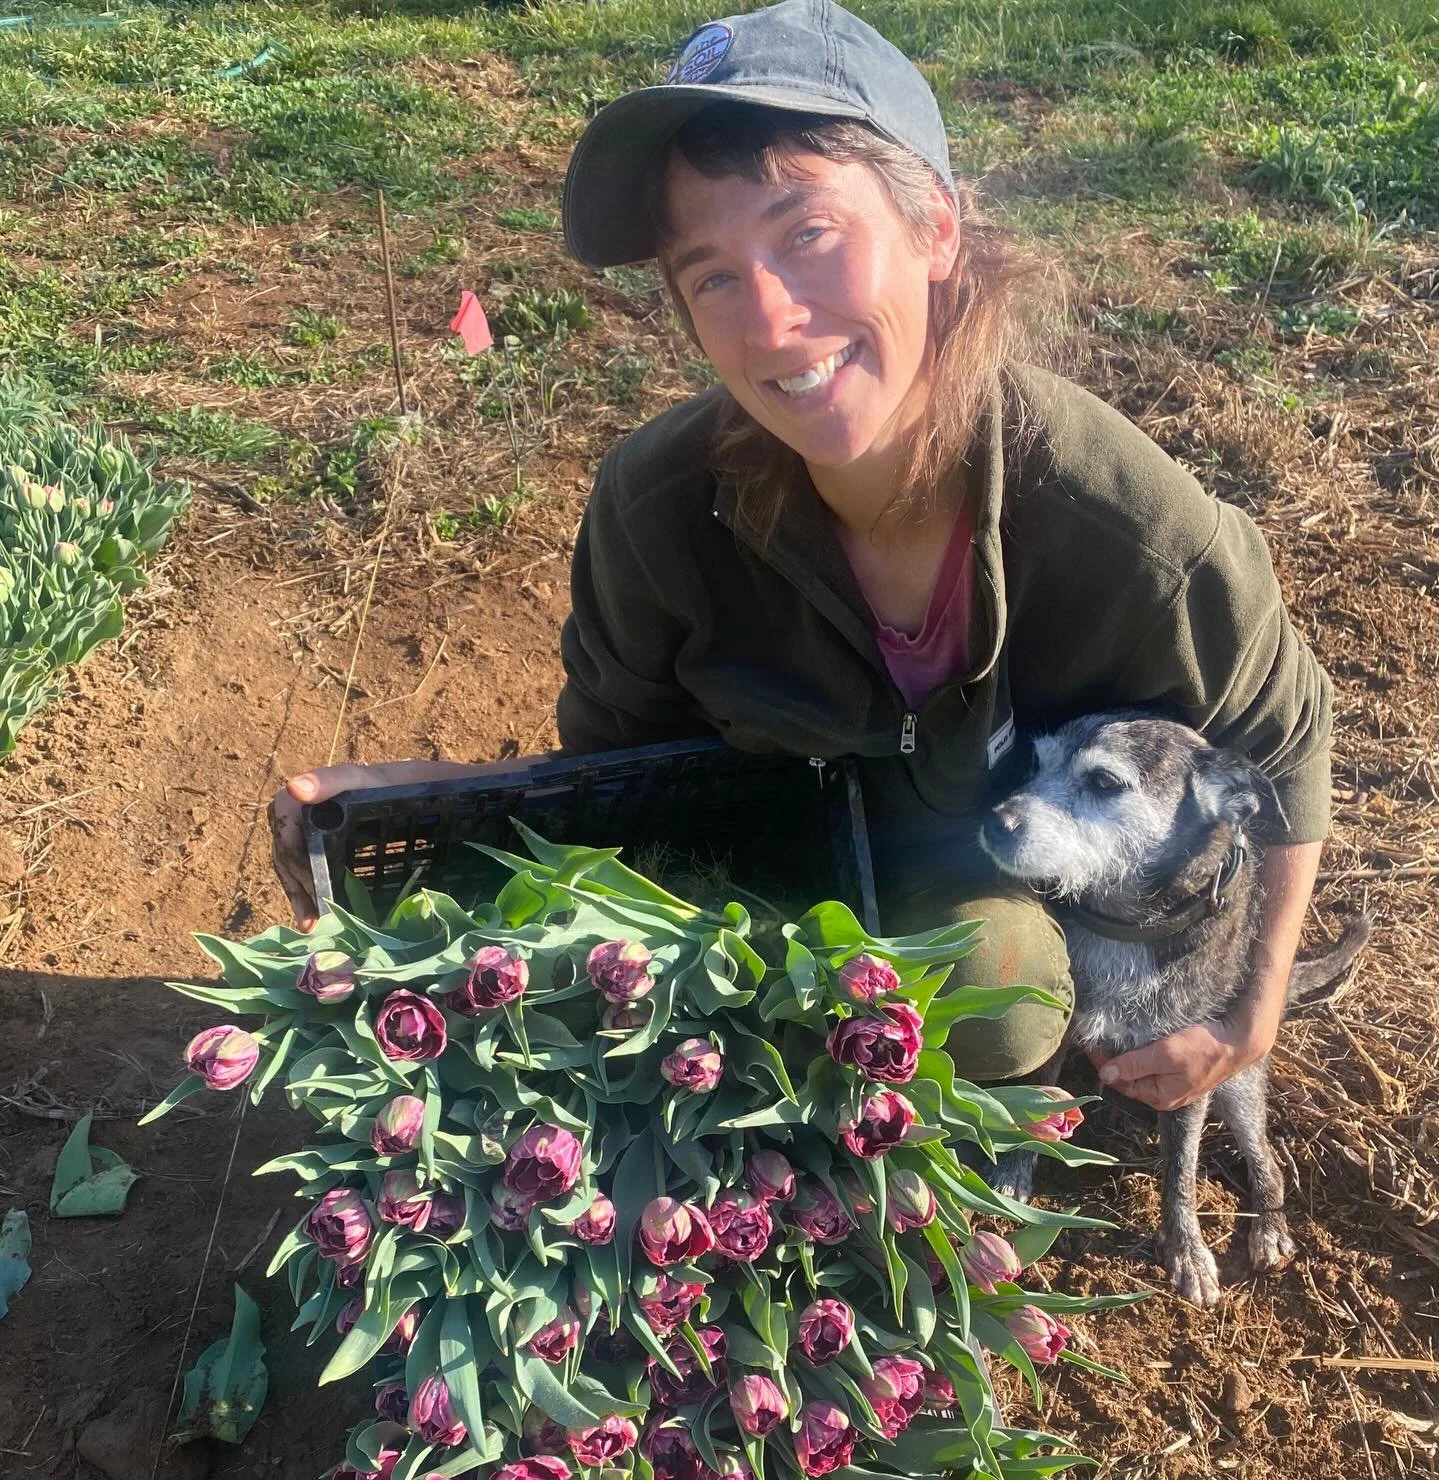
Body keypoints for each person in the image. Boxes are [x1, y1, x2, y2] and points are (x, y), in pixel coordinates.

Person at [270, 0, 1331, 1113]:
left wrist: (1248, 1013)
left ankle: (945, 1116)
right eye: (711, 275)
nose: (770, 323)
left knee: (997, 984)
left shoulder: (1125, 524)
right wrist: (452, 798)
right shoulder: (657, 508)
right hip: (775, 865)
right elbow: (620, 781)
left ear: (935, 229)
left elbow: (1288, 732)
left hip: (978, 872)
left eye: (809, 233)